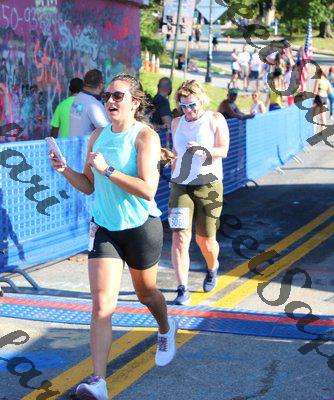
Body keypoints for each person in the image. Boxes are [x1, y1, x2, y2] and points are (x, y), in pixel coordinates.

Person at [50, 73, 177, 400]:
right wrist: (65, 170)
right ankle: (98, 381)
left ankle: (166, 327)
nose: (110, 101)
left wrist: (109, 169)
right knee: (102, 305)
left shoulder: (145, 137)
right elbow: (88, 185)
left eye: (118, 96)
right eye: (107, 95)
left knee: (146, 294)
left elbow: (148, 189)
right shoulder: (98, 136)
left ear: (135, 103)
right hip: (105, 228)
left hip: (140, 227)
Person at [168, 80, 229, 305]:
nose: (188, 111)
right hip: (181, 186)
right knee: (180, 237)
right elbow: (176, 152)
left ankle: (212, 267)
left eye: (192, 105)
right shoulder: (176, 122)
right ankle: (182, 288)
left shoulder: (215, 119)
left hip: (208, 186)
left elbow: (224, 150)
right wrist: (170, 162)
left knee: (205, 240)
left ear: (202, 100)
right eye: (183, 106)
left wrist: (203, 150)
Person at [69, 69, 109, 137]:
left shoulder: (78, 97)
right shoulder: (94, 105)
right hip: (87, 143)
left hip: (76, 142)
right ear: (101, 85)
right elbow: (107, 131)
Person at [312, 68, 332, 134]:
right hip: (325, 98)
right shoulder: (327, 81)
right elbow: (330, 91)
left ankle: (314, 131)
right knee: (323, 116)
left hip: (318, 97)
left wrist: (313, 99)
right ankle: (322, 132)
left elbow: (315, 91)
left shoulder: (318, 80)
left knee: (314, 115)